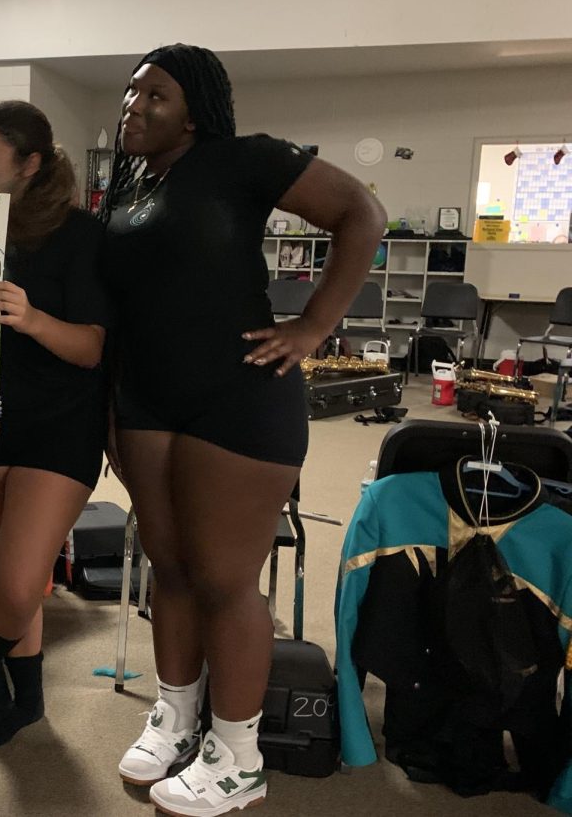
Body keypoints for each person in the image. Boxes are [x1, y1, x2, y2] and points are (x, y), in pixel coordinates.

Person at [100, 44, 385, 816]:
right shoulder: (126, 193)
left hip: (237, 394)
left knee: (226, 578)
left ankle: (238, 756)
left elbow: (362, 213)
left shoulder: (242, 160)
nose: (134, 107)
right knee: (171, 566)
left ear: (194, 110)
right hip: (146, 402)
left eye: (154, 96)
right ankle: (177, 715)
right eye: (130, 95)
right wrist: (111, 411)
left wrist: (316, 324)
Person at [0, 100, 111, 752]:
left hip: (61, 426)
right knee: (5, 572)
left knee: (19, 582)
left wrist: (32, 317)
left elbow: (92, 347)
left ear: (30, 163)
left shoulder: (81, 235)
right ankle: (32, 697)